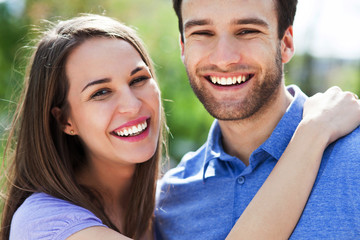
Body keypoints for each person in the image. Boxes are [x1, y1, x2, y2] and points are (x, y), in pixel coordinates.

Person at [0, 13, 358, 240]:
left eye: (138, 79)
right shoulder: (43, 223)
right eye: (101, 92)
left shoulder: (162, 205)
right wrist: (312, 133)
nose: (130, 104)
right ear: (65, 120)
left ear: (286, 42)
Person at [155, 0, 360, 239]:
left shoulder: (354, 159)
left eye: (247, 31)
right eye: (202, 33)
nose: (223, 59)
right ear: (183, 47)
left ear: (286, 43)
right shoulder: (169, 202)